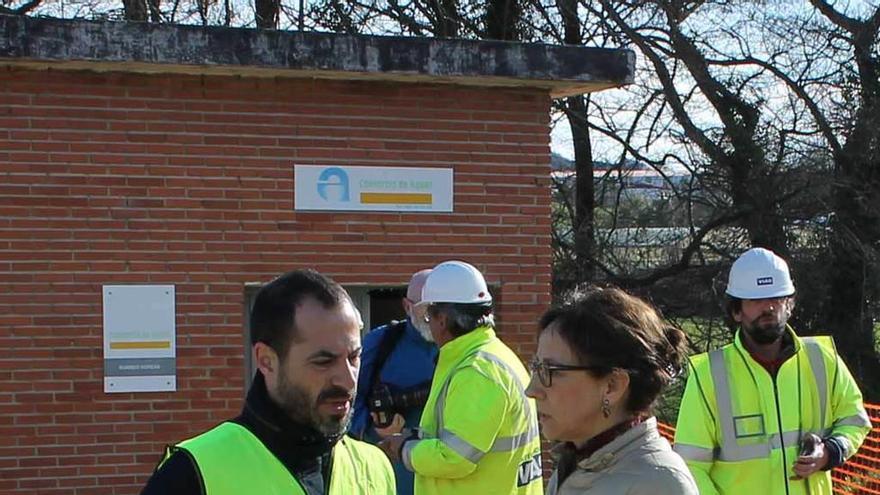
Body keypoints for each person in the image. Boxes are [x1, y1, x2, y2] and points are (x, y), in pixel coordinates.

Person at [140, 269, 395, 495]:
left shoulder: (374, 467)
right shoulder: (193, 471)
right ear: (266, 360)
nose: (347, 379)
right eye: (323, 361)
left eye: (354, 357)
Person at [674, 247, 871, 495]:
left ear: (789, 305)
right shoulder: (709, 375)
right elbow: (689, 467)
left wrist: (829, 451)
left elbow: (854, 419)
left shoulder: (822, 359)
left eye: (776, 298)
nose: (768, 308)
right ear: (736, 311)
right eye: (756, 300)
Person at [377, 260, 544, 495]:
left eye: (429, 317)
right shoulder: (495, 357)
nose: (429, 326)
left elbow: (454, 457)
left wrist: (405, 448)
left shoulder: (476, 371)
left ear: (442, 319)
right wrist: (413, 438)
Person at [525, 286, 698, 494]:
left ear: (612, 386)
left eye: (551, 371)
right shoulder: (577, 462)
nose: (532, 390)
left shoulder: (657, 484)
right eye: (536, 367)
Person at [350, 268, 438, 495]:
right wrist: (375, 429)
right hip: (393, 479)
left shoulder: (462, 348)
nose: (435, 317)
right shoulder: (381, 343)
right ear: (408, 306)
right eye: (425, 309)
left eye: (440, 308)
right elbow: (347, 401)